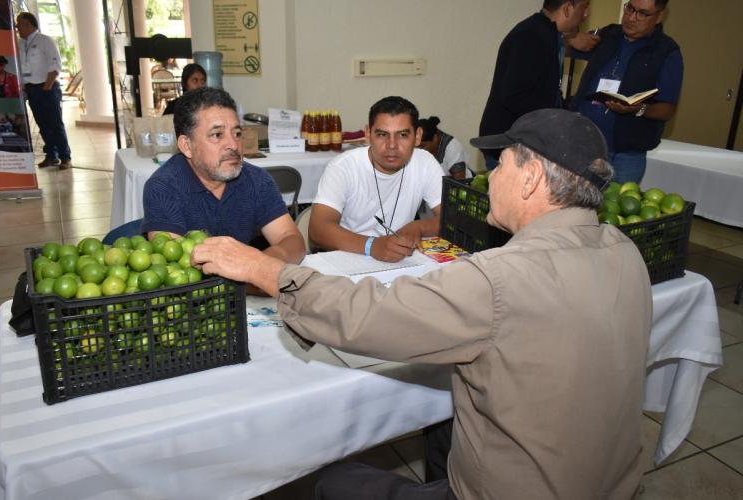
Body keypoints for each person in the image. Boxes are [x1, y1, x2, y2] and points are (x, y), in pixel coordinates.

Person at [191, 109, 652, 499]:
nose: (488, 176)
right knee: (448, 419)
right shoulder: (625, 250)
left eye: (501, 164)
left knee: (333, 483)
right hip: (611, 483)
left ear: (530, 179)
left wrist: (262, 269)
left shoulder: (497, 280)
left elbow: (362, 314)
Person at [142, 86, 305, 267]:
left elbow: (292, 240)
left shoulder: (257, 180)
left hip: (246, 287)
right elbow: (175, 269)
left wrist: (257, 266)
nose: (233, 145)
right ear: (187, 146)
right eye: (217, 135)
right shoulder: (163, 187)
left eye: (237, 134)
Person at [309, 96, 443, 263]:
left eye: (402, 135)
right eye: (382, 134)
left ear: (417, 136)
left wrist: (419, 227)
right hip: (349, 256)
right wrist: (372, 246)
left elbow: (454, 219)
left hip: (401, 259)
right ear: (368, 134)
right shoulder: (342, 167)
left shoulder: (425, 162)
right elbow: (318, 229)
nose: (391, 145)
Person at [569, 0, 682, 184]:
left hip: (624, 156)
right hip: (583, 144)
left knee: (614, 209)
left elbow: (667, 109)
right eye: (629, 8)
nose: (631, 17)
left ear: (660, 16)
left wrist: (637, 109)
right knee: (572, 205)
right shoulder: (608, 35)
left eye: (642, 13)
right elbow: (567, 49)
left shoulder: (666, 51)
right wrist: (572, 39)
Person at [478, 0, 598, 170]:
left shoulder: (549, 33)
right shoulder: (531, 35)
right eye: (584, 7)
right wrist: (556, 119)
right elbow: (514, 94)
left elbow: (545, 90)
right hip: (509, 145)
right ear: (568, 8)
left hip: (522, 144)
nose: (586, 14)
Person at [15, 12, 72, 170]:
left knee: (55, 124)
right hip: (32, 90)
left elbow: (55, 67)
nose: (17, 27)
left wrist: (47, 87)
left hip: (47, 88)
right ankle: (51, 156)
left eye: (19, 24)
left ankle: (65, 157)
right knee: (42, 125)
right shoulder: (20, 44)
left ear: (29, 24)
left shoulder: (45, 41)